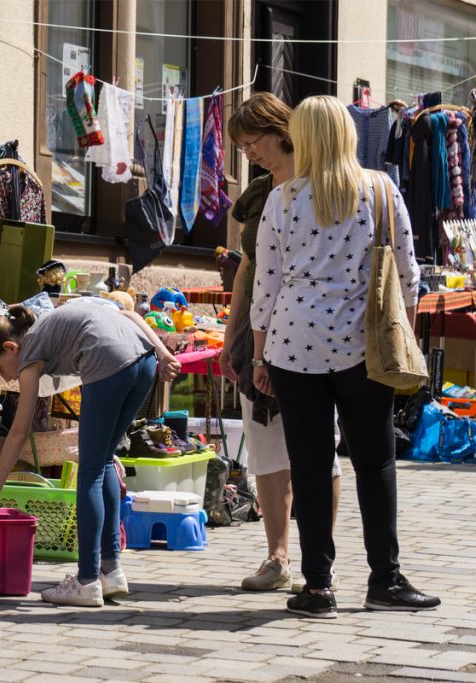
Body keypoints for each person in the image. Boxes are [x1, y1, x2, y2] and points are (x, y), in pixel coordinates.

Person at [251, 95, 439, 618]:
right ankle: (386, 579)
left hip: (293, 343)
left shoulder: (283, 199)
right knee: (375, 462)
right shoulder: (381, 190)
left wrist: (260, 355)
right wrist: (405, 330)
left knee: (310, 466)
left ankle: (318, 587)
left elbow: (266, 286)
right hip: (363, 344)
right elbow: (408, 275)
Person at [0, 300, 182, 607]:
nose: (5, 378)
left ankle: (86, 581)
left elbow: (18, 432)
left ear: (10, 347)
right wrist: (163, 353)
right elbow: (129, 314)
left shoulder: (29, 354)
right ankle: (111, 571)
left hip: (108, 362)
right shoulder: (46, 324)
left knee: (91, 469)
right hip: (144, 361)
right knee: (104, 461)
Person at [219, 92, 342, 593]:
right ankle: (277, 556)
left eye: (252, 143)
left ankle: (320, 558)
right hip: (258, 329)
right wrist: (233, 337)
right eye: (241, 147)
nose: (248, 154)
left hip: (314, 334)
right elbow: (248, 269)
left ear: (279, 131)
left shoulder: (326, 184)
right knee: (266, 445)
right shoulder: (260, 196)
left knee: (317, 449)